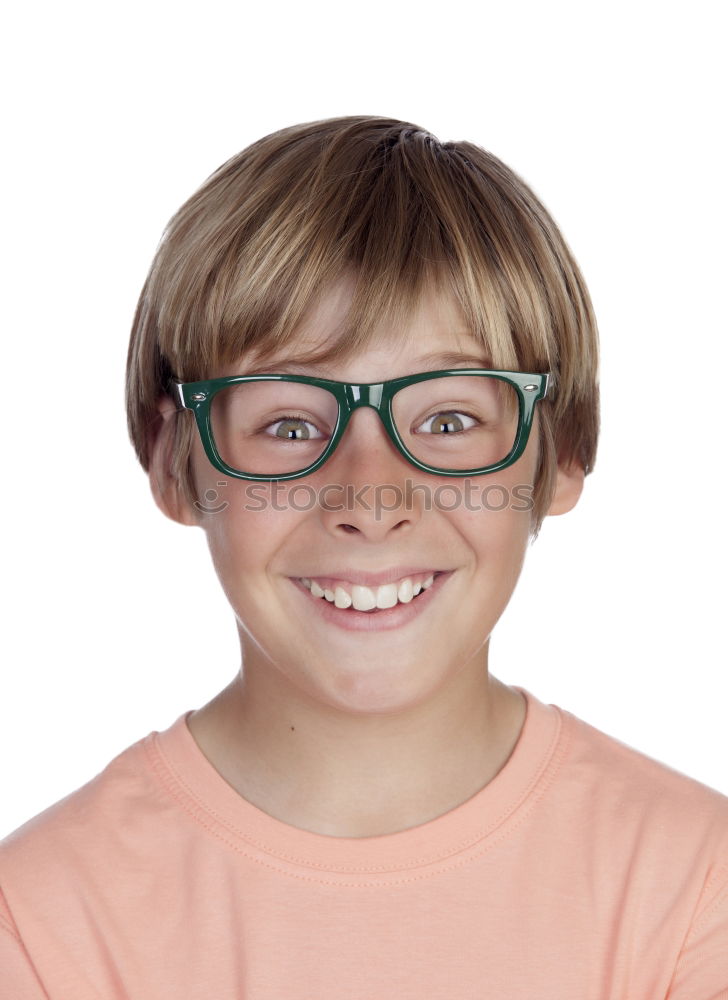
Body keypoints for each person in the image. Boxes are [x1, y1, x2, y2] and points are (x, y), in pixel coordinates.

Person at [1, 115, 725, 999]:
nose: (371, 501)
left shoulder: (694, 889)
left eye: (449, 421)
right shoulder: (38, 923)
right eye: (290, 425)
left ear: (563, 447)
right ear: (173, 465)